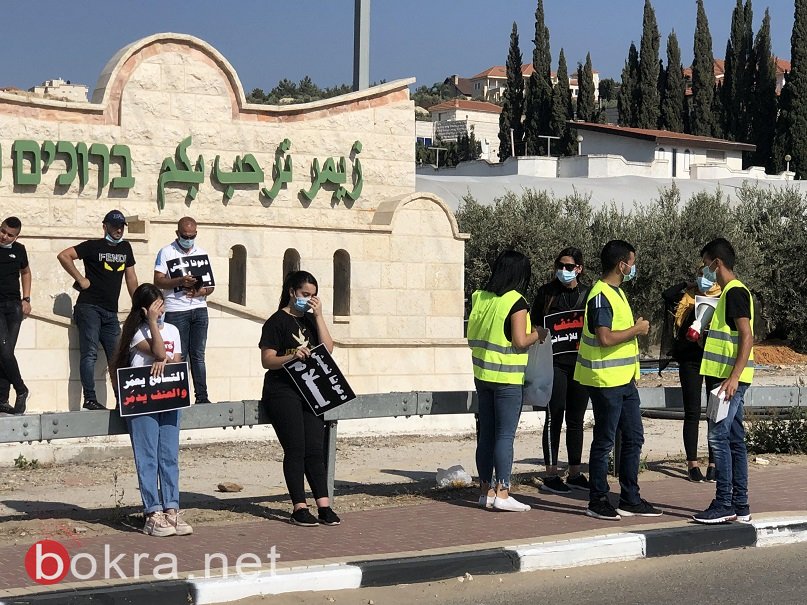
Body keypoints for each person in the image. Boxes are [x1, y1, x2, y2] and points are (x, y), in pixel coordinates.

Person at [575, 240, 662, 521]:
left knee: (634, 437)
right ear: (621, 264)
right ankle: (598, 499)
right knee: (605, 441)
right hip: (605, 380)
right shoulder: (600, 295)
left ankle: (630, 498)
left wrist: (632, 328)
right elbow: (605, 337)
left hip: (624, 380)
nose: (633, 267)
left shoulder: (617, 293)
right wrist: (636, 329)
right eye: (631, 262)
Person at [259, 270, 341, 527]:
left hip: (310, 390)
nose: (309, 299)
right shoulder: (276, 322)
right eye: (305, 294)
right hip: (283, 391)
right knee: (295, 448)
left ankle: (324, 506)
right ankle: (298, 506)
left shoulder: (310, 320)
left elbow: (327, 348)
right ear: (292, 292)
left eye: (313, 296)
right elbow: (267, 360)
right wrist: (292, 357)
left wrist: (318, 316)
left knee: (314, 449)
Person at [468, 250, 546, 512]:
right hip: (507, 379)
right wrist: (539, 333)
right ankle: (502, 493)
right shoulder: (516, 302)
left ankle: (484, 491)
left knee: (487, 435)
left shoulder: (481, 297)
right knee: (504, 436)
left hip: (482, 376)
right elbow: (519, 341)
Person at [111, 283, 192, 537]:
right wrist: (154, 324)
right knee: (148, 455)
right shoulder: (137, 332)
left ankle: (171, 507)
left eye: (163, 305)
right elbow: (157, 351)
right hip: (142, 398)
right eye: (156, 306)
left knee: (168, 454)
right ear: (145, 309)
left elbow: (174, 360)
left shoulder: (175, 330)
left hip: (168, 396)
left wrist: (163, 361)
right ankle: (152, 511)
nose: (162, 309)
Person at [693, 238, 755, 524]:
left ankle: (724, 503)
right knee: (733, 440)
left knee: (718, 437)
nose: (705, 271)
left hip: (727, 381)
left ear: (717, 263)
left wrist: (733, 378)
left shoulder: (734, 292)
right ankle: (740, 504)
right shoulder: (731, 293)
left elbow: (746, 336)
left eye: (706, 265)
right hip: (728, 379)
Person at [57, 210, 138, 410]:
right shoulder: (93, 246)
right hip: (89, 307)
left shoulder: (126, 248)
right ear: (105, 226)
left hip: (111, 312)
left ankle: (123, 400)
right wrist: (80, 279)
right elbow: (64, 255)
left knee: (118, 357)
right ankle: (90, 399)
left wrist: (138, 303)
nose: (118, 230)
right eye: (114, 226)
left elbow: (131, 277)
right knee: (90, 353)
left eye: (121, 227)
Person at [530, 247, 590, 494]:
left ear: (579, 269)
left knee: (576, 419)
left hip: (580, 363)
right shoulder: (546, 292)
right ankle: (551, 473)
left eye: (568, 266)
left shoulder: (588, 293)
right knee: (554, 416)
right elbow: (534, 322)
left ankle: (575, 472)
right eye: (560, 265)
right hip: (554, 364)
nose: (563, 271)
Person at [661, 267, 722, 483]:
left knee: (715, 412)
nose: (705, 280)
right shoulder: (688, 296)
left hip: (715, 359)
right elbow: (666, 295)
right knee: (692, 412)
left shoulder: (723, 295)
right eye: (701, 275)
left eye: (709, 276)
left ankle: (714, 463)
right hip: (690, 360)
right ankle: (692, 464)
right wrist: (687, 285)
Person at [154, 217, 213, 404]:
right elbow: (158, 280)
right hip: (176, 310)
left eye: (192, 235)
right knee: (180, 355)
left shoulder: (201, 253)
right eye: (185, 236)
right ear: (177, 233)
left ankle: (202, 397)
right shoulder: (166, 252)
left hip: (199, 308)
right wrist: (180, 281)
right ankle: (178, 395)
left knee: (198, 355)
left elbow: (211, 286)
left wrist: (201, 291)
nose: (188, 239)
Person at [0, 217, 31, 415]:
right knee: (3, 351)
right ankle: (21, 389)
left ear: (16, 236)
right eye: (2, 231)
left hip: (13, 307)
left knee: (5, 354)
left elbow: (26, 272)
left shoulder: (19, 250)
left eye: (10, 235)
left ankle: (2, 399)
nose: (4, 236)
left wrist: (26, 298)